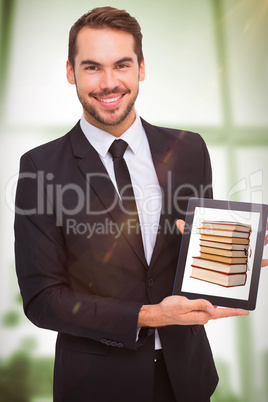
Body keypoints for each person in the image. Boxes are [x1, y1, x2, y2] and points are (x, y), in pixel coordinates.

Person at [14, 7, 251, 402]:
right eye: (92, 67)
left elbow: (195, 256)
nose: (109, 83)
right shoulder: (40, 168)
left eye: (121, 65)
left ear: (141, 68)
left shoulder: (188, 149)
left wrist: (233, 257)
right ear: (71, 72)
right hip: (96, 385)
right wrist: (150, 315)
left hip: (187, 380)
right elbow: (43, 300)